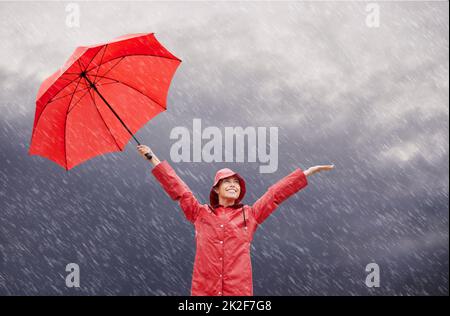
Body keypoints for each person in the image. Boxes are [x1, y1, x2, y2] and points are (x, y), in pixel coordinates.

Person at [137, 144, 334, 296]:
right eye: (227, 182)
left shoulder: (250, 215)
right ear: (216, 188)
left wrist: (306, 173)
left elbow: (275, 194)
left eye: (236, 183)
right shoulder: (200, 213)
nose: (233, 185)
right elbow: (178, 189)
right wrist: (152, 158)